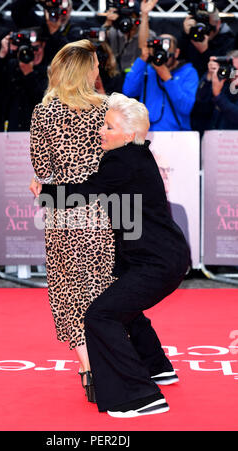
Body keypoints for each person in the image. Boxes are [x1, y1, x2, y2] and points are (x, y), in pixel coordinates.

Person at [39, 93, 190, 417]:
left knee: (99, 315)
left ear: (130, 134)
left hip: (158, 262)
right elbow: (125, 212)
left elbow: (87, 192)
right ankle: (156, 366)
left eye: (109, 127)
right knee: (124, 307)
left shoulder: (122, 161)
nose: (101, 132)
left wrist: (46, 192)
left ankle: (139, 396)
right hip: (161, 257)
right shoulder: (137, 156)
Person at [29, 40, 116, 400]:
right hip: (108, 213)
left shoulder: (43, 112)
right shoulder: (108, 110)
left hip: (64, 214)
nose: (99, 69)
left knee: (70, 293)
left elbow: (43, 169)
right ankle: (113, 361)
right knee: (106, 289)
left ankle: (88, 368)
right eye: (94, 65)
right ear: (85, 71)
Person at [122, 33, 199, 131]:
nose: (161, 57)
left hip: (177, 135)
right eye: (158, 52)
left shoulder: (188, 72)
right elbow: (128, 91)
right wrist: (142, 59)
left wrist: (167, 78)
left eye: (166, 53)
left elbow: (186, 107)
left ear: (176, 53)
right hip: (147, 134)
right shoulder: (147, 70)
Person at [0, 28, 48, 132]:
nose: (32, 53)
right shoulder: (11, 66)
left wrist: (29, 74)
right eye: (27, 49)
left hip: (35, 134)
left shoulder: (49, 72)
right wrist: (2, 53)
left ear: (43, 45)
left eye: (36, 48)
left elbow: (43, 102)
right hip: (8, 131)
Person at [179, 7, 235, 78]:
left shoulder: (230, 42)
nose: (201, 30)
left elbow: (229, 74)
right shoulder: (190, 37)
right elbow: (177, 61)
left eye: (206, 26)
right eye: (199, 25)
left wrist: (205, 51)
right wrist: (185, 34)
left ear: (218, 24)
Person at [192, 51, 238, 134]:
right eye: (234, 69)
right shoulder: (221, 81)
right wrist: (209, 77)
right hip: (212, 139)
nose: (236, 73)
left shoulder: (220, 86)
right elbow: (200, 104)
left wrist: (218, 95)